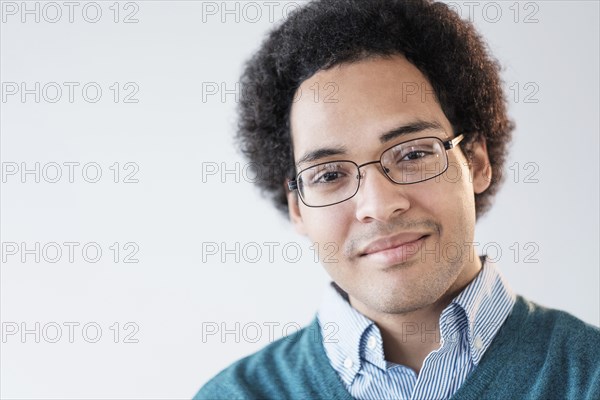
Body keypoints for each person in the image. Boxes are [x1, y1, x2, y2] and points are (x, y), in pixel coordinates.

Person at [194, 0, 600, 399]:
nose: (378, 205)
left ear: (476, 161)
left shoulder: (587, 377)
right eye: (330, 174)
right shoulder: (236, 394)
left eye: (412, 154)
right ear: (297, 207)